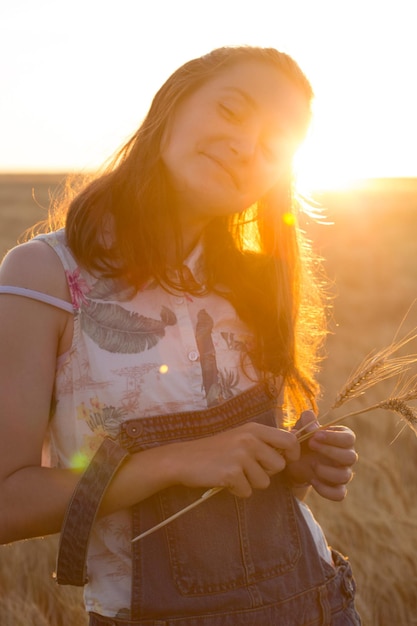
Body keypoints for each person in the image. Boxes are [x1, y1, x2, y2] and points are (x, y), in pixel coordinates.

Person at [0, 46, 361, 625]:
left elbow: (250, 477)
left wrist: (298, 461)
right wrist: (177, 462)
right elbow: (6, 500)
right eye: (232, 110)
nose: (246, 146)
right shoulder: (44, 276)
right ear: (173, 103)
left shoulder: (253, 282)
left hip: (315, 602)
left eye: (273, 146)